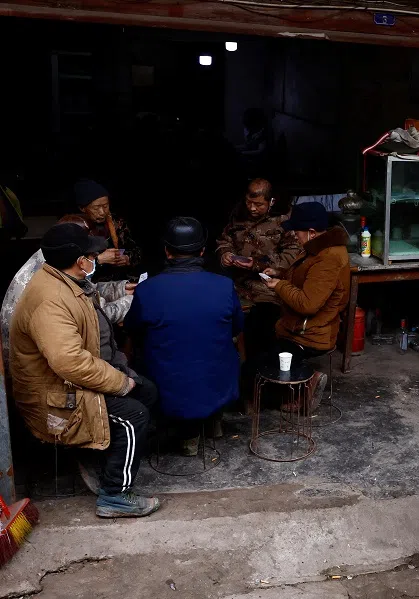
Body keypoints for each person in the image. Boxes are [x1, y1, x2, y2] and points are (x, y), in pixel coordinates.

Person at [9, 223, 159, 517]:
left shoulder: (65, 282)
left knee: (147, 391)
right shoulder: (50, 300)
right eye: (92, 254)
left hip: (69, 382)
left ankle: (103, 459)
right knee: (133, 415)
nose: (95, 259)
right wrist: (119, 382)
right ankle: (114, 495)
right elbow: (70, 362)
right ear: (81, 262)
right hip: (56, 397)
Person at [126, 218, 244, 456]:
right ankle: (213, 420)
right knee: (221, 352)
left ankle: (188, 435)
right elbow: (237, 328)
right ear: (202, 251)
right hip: (218, 383)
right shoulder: (224, 285)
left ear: (167, 251)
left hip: (170, 386)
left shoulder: (148, 289)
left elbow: (133, 331)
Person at [1, 215, 135, 379]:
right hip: (37, 371)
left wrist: (120, 289)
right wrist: (132, 301)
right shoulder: (52, 276)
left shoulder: (56, 256)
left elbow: (87, 288)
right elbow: (95, 314)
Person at [262, 202, 350, 409]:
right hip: (297, 325)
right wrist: (280, 274)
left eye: (296, 231)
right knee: (260, 316)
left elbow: (308, 304)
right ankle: (295, 381)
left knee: (255, 377)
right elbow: (306, 279)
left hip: (310, 333)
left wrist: (280, 285)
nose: (293, 235)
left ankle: (306, 386)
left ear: (311, 232)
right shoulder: (316, 248)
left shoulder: (328, 259)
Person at [217, 179, 300, 361]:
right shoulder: (238, 214)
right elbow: (224, 240)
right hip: (238, 285)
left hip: (269, 288)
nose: (252, 208)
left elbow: (293, 253)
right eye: (249, 202)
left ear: (271, 201)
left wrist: (257, 264)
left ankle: (261, 370)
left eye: (258, 204)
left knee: (261, 328)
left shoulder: (285, 218)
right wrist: (225, 253)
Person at [74, 179, 142, 282]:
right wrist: (99, 260)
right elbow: (70, 268)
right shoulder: (74, 228)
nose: (102, 212)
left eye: (105, 206)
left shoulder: (117, 223)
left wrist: (127, 258)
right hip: (92, 284)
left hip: (121, 280)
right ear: (83, 208)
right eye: (96, 208)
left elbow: (136, 251)